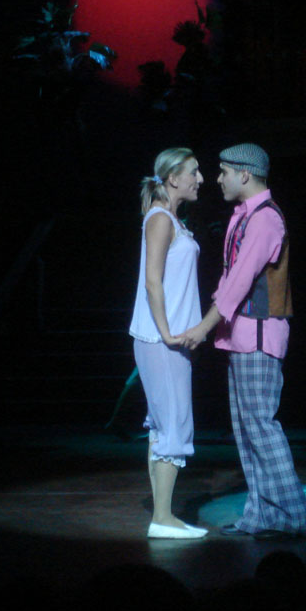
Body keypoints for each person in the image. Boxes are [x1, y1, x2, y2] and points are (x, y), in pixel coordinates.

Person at [182, 143, 306, 540]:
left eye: (223, 172)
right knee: (247, 430)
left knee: (261, 427)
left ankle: (294, 516)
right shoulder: (244, 216)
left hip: (258, 336)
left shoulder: (265, 219)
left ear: (244, 174)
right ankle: (262, 516)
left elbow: (240, 283)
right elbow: (230, 278)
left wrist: (204, 327)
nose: (217, 179)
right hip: (240, 337)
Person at [128, 148, 208, 539]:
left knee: (165, 424)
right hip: (163, 340)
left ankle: (163, 514)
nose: (200, 179)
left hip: (168, 340)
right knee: (173, 423)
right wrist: (167, 333)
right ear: (173, 178)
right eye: (194, 172)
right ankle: (162, 518)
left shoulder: (171, 219)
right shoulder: (160, 219)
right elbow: (152, 280)